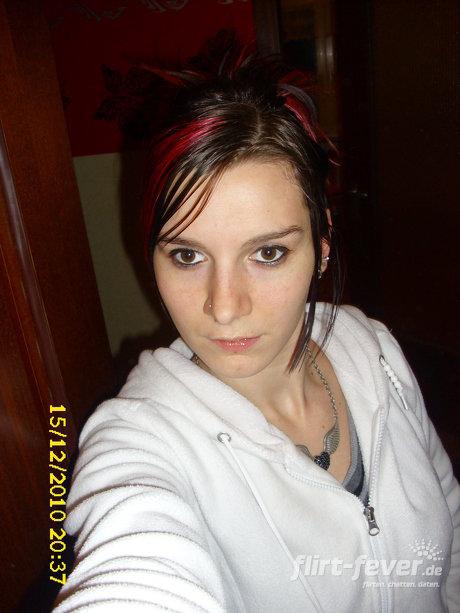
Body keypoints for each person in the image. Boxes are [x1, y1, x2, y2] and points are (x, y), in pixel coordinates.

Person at [53, 46, 460, 613]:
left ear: (321, 247)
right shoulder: (138, 439)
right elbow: (133, 565)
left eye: (268, 252)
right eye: (187, 255)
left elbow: (449, 517)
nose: (224, 308)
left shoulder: (377, 351)